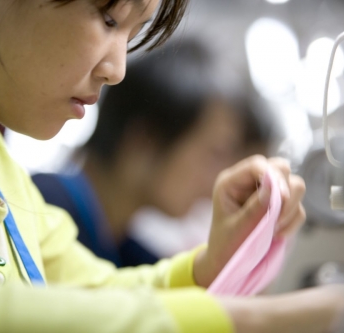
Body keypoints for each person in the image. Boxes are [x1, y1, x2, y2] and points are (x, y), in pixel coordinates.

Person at [0, 1, 344, 332]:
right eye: (108, 19)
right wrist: (261, 319)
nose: (118, 69)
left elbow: (88, 290)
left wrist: (210, 264)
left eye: (131, 33)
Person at [32, 37, 279, 267]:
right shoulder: (38, 209)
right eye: (214, 154)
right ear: (145, 141)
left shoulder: (125, 251)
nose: (218, 177)